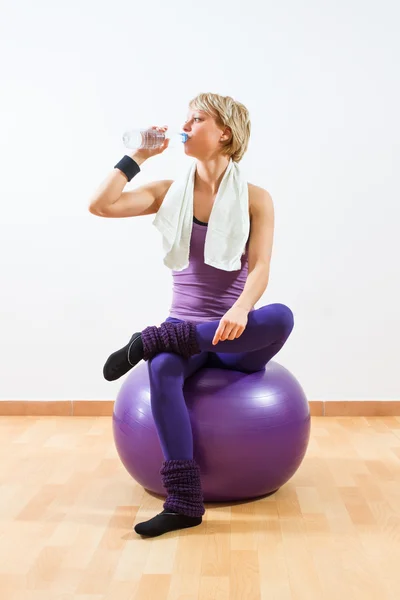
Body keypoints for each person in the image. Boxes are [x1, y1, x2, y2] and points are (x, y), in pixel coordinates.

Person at [89, 93, 294, 538]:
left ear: (225, 133)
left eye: (197, 118)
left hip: (237, 332)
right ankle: (184, 502)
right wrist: (137, 155)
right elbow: (101, 205)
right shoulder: (169, 193)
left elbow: (259, 266)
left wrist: (240, 308)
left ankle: (150, 340)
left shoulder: (257, 199)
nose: (186, 124)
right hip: (185, 327)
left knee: (280, 317)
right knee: (162, 368)